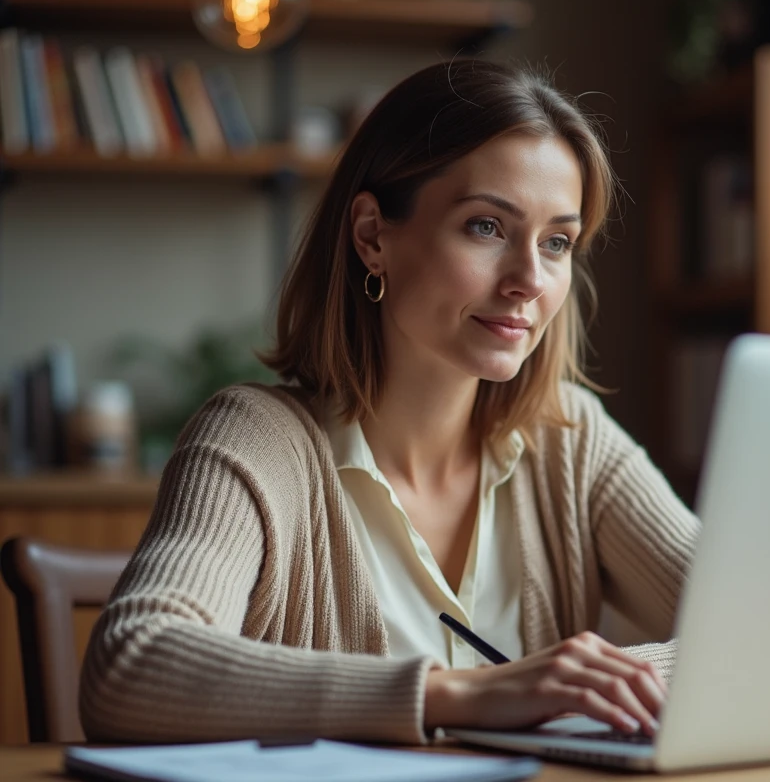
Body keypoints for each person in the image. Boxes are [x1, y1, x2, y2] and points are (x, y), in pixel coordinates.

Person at [79, 60, 700, 746]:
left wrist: (599, 678)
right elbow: (130, 666)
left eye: (556, 242)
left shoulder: (572, 438)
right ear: (373, 235)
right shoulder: (256, 441)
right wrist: (461, 693)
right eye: (487, 227)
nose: (529, 279)